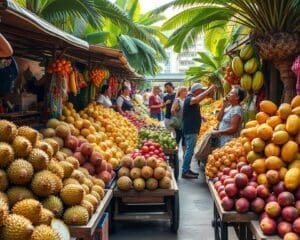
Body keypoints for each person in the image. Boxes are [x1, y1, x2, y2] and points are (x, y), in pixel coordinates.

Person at [182, 83, 215, 179]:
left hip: (192, 128)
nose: (202, 92)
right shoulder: (189, 98)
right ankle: (185, 171)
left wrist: (201, 117)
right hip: (191, 129)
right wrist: (208, 90)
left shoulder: (191, 99)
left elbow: (191, 111)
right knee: (189, 150)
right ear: (196, 90)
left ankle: (187, 169)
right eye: (201, 90)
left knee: (190, 151)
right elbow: (196, 100)